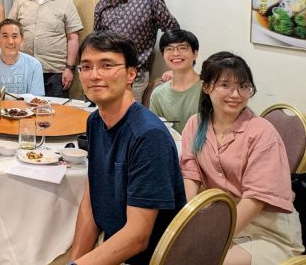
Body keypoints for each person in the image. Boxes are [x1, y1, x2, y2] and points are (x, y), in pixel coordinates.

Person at [70, 31, 185, 265]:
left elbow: (137, 237)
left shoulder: (148, 135)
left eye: (107, 65)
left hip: (151, 258)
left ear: (131, 74)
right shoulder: (95, 121)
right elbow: (92, 198)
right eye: (86, 67)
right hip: (113, 244)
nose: (95, 75)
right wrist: (74, 260)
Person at [181, 52, 304, 264]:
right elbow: (191, 171)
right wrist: (192, 218)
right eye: (225, 85)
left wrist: (215, 237)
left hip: (266, 229)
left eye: (243, 86)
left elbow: (256, 199)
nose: (236, 94)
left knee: (203, 260)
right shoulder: (195, 124)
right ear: (206, 87)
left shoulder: (262, 132)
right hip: (219, 218)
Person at [93, 0, 179, 102]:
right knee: (104, 112)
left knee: (130, 113)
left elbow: (174, 33)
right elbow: (95, 40)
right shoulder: (103, 3)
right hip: (106, 74)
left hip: (136, 76)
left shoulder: (151, 1)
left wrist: (175, 69)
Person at [9, 0, 83, 98]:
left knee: (54, 110)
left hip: (55, 73)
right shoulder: (20, 1)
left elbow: (73, 38)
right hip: (24, 69)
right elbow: (10, 33)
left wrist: (69, 68)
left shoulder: (66, 2)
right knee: (22, 108)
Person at [149, 29, 201, 134]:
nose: (176, 53)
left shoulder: (209, 88)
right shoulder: (158, 94)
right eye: (169, 49)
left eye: (182, 48)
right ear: (163, 55)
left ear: (195, 53)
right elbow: (155, 131)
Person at [0, 19, 44, 96]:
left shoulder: (34, 65)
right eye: (5, 36)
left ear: (22, 40)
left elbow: (37, 98)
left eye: (14, 36)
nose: (10, 42)